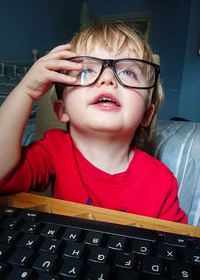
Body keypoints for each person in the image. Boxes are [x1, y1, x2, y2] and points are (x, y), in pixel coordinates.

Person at [0, 22, 187, 223]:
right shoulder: (53, 151)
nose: (107, 79)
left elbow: (174, 244)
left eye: (127, 72)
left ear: (146, 115)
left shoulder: (162, 180)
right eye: (86, 70)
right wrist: (26, 91)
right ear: (62, 111)